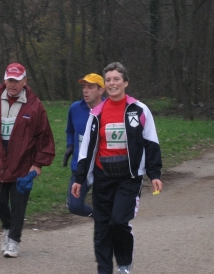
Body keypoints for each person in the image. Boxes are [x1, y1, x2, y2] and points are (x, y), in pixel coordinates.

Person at [71, 62, 163, 274]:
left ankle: (123, 263)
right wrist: (79, 178)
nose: (112, 83)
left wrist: (154, 173)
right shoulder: (97, 113)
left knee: (119, 222)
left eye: (116, 79)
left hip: (129, 177)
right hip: (103, 176)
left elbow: (151, 143)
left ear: (125, 83)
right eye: (109, 80)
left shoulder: (139, 110)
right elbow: (86, 149)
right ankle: (104, 270)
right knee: (102, 227)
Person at [0, 63, 55, 258]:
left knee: (19, 204)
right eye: (10, 80)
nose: (13, 85)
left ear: (25, 82)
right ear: (4, 80)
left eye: (17, 81)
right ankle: (9, 227)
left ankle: (14, 241)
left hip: (23, 164)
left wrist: (38, 163)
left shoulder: (35, 106)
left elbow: (44, 136)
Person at [63, 73, 105, 217]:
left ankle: (106, 221)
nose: (85, 90)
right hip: (81, 167)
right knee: (75, 206)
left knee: (106, 204)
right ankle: (97, 216)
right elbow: (70, 131)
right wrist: (70, 146)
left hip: (103, 167)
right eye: (84, 87)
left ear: (101, 90)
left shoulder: (109, 109)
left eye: (91, 87)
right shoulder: (75, 108)